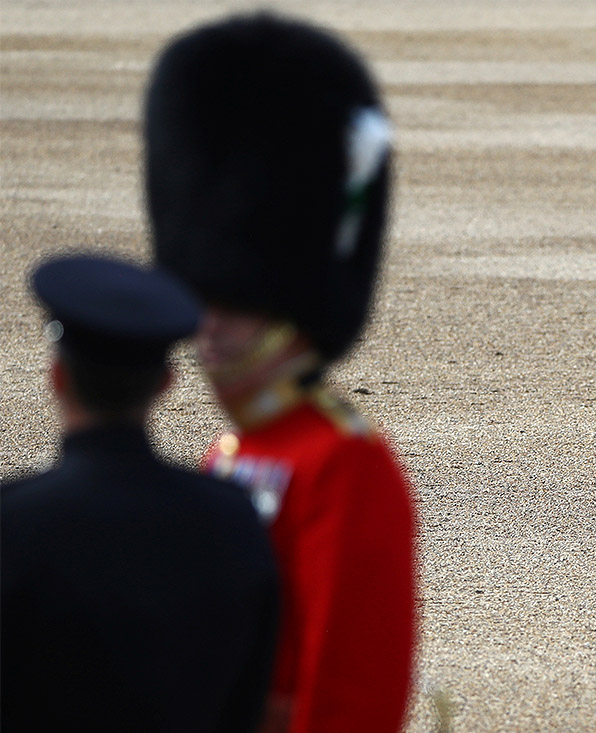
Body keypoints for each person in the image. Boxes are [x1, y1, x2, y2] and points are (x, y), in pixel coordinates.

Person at [143, 14, 417, 732]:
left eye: (231, 305)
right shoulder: (233, 456)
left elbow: (347, 695)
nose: (207, 327)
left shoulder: (345, 464)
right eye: (202, 300)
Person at [1, 254, 279, 732]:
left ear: (57, 377)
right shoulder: (232, 517)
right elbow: (251, 697)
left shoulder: (14, 521)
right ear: (166, 385)